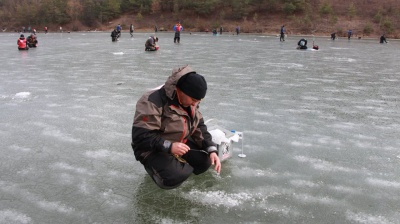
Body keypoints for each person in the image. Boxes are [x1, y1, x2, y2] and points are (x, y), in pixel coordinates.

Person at [131, 65, 221, 189]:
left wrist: (211, 149)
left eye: (199, 101)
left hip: (178, 141)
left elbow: (199, 126)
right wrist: (170, 147)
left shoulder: (190, 101)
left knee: (205, 162)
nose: (195, 104)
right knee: (174, 177)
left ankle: (175, 162)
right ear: (181, 90)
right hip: (151, 148)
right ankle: (155, 168)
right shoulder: (151, 101)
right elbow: (141, 137)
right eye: (193, 100)